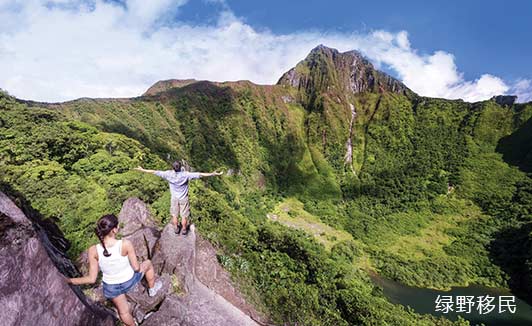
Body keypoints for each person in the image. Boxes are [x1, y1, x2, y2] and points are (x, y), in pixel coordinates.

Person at [68, 214, 162, 326]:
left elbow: (92, 279)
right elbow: (137, 268)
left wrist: (69, 280)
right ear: (114, 230)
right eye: (117, 227)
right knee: (148, 263)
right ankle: (152, 290)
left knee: (123, 312)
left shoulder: (93, 250)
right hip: (129, 281)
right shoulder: (125, 244)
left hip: (111, 288)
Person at [134, 161, 223, 235]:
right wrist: (213, 174)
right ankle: (184, 229)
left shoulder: (168, 174)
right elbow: (200, 174)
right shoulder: (185, 175)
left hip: (174, 198)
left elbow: (154, 171)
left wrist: (142, 170)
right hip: (184, 198)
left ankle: (176, 228)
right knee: (184, 216)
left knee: (174, 214)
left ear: (173, 168)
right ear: (180, 167)